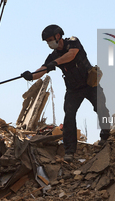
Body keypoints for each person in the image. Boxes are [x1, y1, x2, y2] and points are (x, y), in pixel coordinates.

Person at [21, 24, 110, 162]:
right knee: (69, 116)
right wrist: (31, 76)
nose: (49, 43)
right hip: (73, 90)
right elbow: (43, 69)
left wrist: (55, 63)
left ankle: (106, 136)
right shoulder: (53, 56)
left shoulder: (73, 42)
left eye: (50, 39)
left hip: (90, 84)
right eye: (47, 41)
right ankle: (69, 151)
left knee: (101, 108)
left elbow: (71, 55)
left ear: (58, 36)